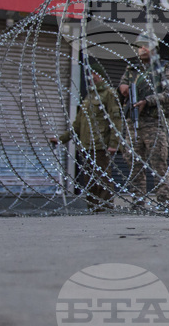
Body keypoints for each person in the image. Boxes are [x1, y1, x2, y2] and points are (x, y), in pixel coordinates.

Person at [50, 59, 123, 212]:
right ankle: (93, 208)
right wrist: (61, 139)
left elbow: (116, 120)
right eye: (90, 74)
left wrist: (114, 143)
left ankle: (105, 208)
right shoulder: (88, 98)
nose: (91, 77)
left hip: (101, 145)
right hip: (87, 145)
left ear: (100, 75)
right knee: (89, 180)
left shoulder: (109, 94)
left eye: (94, 73)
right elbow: (77, 124)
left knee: (103, 178)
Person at [118, 32, 169, 208]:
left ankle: (163, 202)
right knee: (134, 164)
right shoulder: (131, 69)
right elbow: (122, 86)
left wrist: (148, 101)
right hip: (133, 122)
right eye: (139, 46)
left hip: (154, 122)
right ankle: (138, 202)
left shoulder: (164, 68)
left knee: (158, 163)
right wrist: (122, 88)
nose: (142, 49)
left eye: (146, 45)